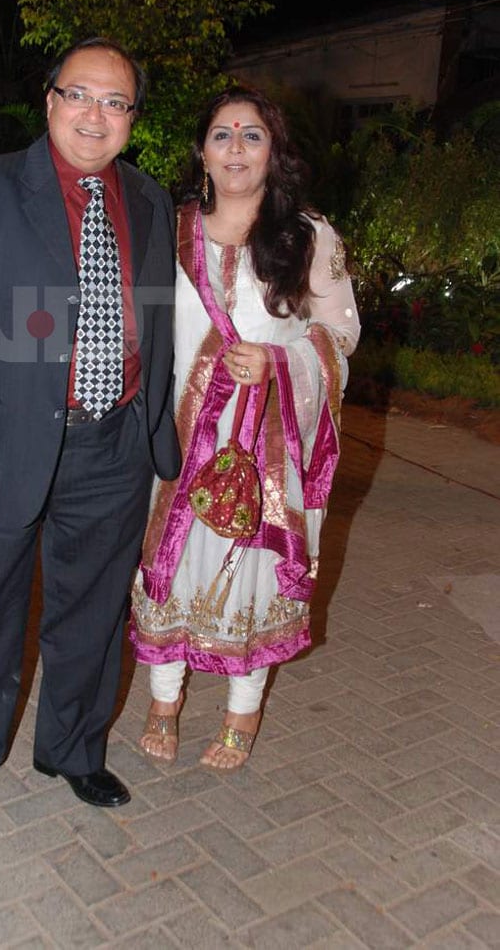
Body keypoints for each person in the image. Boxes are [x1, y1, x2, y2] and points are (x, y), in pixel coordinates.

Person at [0, 36, 180, 824]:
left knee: (94, 612)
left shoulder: (152, 201)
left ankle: (74, 749)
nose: (96, 115)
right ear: (51, 99)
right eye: (80, 95)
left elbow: (157, 325)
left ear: (132, 117)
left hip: (116, 441)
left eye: (116, 101)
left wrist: (155, 432)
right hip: (0, 448)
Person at [130, 85, 360, 769]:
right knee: (168, 568)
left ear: (273, 152)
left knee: (249, 572)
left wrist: (280, 360)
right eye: (222, 134)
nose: (236, 147)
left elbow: (338, 336)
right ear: (201, 150)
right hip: (177, 432)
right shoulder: (167, 230)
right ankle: (164, 699)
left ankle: (242, 710)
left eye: (252, 134)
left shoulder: (309, 236)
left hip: (265, 443)